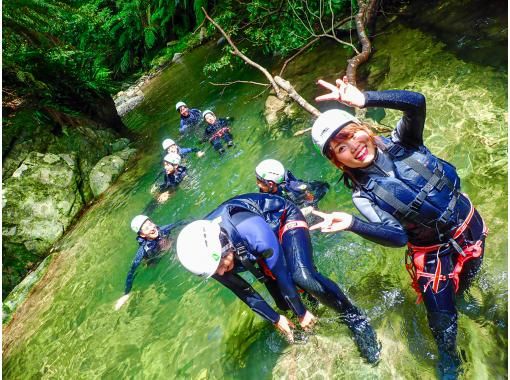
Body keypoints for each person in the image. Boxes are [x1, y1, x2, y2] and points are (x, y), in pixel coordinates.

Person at [309, 76, 487, 378]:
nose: (353, 147)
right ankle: (450, 361)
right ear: (337, 161)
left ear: (363, 128)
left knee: (468, 280)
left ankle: (464, 296)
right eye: (340, 148)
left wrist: (366, 99)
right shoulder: (362, 195)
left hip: (469, 227)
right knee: (441, 320)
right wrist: (353, 223)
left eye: (352, 135)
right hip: (433, 255)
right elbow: (397, 236)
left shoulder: (405, 141)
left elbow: (416, 102)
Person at [176, 193, 380, 363]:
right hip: (250, 246)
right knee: (283, 305)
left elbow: (281, 272)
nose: (221, 273)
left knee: (301, 276)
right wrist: (275, 319)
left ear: (225, 245)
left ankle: (355, 318)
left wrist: (300, 313)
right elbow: (244, 291)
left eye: (221, 265)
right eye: (215, 271)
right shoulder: (208, 260)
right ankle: (312, 309)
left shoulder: (251, 231)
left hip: (282, 219)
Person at [114, 215, 181, 310]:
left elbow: (180, 222)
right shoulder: (143, 251)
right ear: (142, 235)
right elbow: (131, 271)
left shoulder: (164, 230)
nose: (152, 228)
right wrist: (126, 293)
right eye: (147, 228)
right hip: (154, 260)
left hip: (167, 247)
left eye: (151, 224)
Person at [255, 159, 330, 209]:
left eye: (259, 182)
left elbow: (324, 186)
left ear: (270, 184)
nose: (257, 184)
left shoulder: (295, 187)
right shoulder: (266, 190)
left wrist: (311, 204)